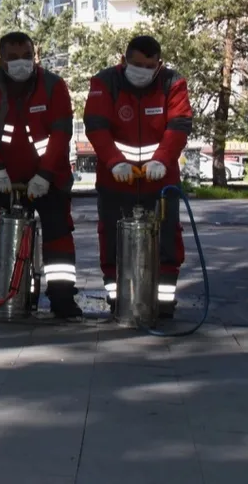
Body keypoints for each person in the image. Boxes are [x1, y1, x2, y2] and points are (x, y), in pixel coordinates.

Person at [0, 31, 82, 318]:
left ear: (36, 56)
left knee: (58, 236)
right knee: (11, 237)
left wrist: (44, 176)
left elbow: (61, 134)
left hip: (49, 176)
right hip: (4, 178)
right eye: (14, 58)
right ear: (0, 60)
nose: (22, 63)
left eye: (27, 56)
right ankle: (16, 294)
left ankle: (62, 298)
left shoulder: (54, 86)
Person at [84, 35, 193, 319]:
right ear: (124, 60)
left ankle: (164, 299)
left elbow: (179, 124)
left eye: (148, 65)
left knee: (168, 237)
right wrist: (113, 162)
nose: (141, 70)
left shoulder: (173, 83)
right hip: (115, 178)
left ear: (159, 64)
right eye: (135, 64)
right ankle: (117, 297)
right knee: (111, 237)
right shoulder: (105, 82)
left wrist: (162, 159)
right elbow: (96, 125)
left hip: (161, 179)